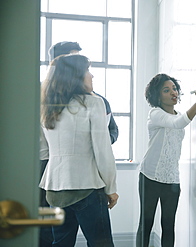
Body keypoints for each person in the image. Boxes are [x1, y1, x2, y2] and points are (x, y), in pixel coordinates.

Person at [39, 42, 119, 246]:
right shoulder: (93, 102)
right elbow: (103, 151)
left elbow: (44, 150)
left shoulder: (48, 107)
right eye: (88, 71)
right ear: (75, 76)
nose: (92, 76)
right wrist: (111, 187)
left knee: (61, 243)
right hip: (87, 186)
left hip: (54, 187)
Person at [136, 74, 196, 247]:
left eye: (174, 88)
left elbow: (179, 123)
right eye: (166, 90)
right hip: (150, 177)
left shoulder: (180, 115)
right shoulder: (155, 114)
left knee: (168, 226)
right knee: (146, 223)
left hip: (172, 179)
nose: (173, 93)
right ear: (157, 96)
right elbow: (177, 123)